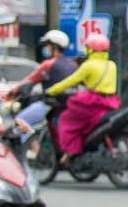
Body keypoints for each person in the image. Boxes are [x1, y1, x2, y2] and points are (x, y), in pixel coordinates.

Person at [45, 29, 119, 158]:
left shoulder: (88, 65)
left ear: (91, 49)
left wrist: (52, 90)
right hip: (110, 102)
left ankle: (70, 151)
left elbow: (71, 81)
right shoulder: (112, 65)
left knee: (67, 120)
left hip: (92, 102)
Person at [12, 30, 77, 138]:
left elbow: (30, 80)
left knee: (20, 120)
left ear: (54, 47)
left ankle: (30, 150)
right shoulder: (73, 64)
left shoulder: (48, 64)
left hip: (50, 105)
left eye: (48, 46)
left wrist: (12, 92)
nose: (46, 49)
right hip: (69, 106)